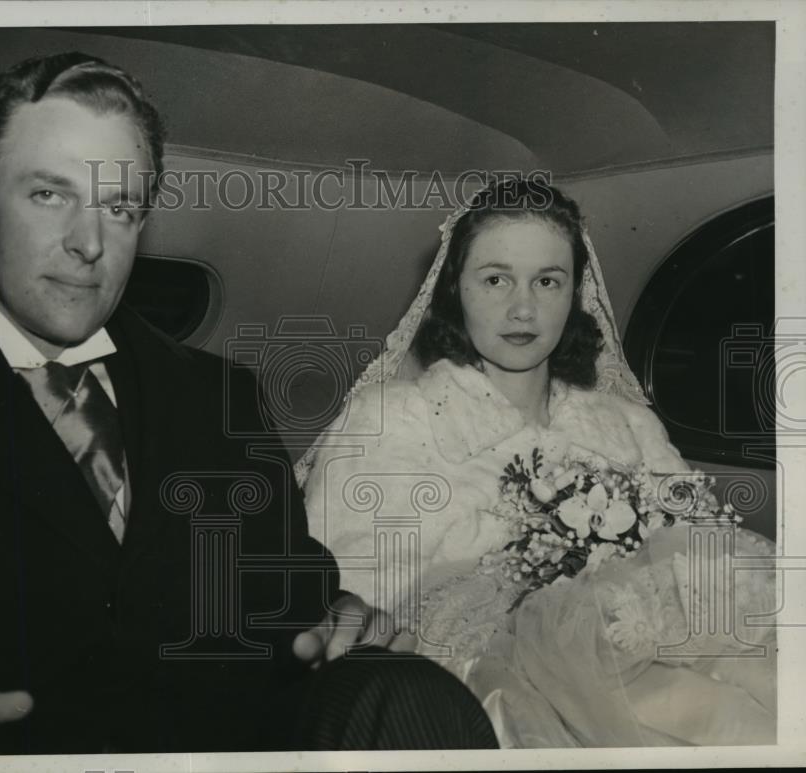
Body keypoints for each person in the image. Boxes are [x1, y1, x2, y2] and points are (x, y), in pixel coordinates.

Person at [0, 52, 499, 755]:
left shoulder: (216, 397)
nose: (88, 243)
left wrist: (341, 621)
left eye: (120, 208)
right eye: (50, 195)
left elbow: (293, 608)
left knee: (412, 694)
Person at [300, 178, 777, 747]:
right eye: (496, 279)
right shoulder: (390, 420)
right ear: (455, 289)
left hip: (665, 653)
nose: (522, 307)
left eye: (547, 281)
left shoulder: (627, 423)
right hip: (480, 684)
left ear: (574, 294)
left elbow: (705, 557)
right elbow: (348, 606)